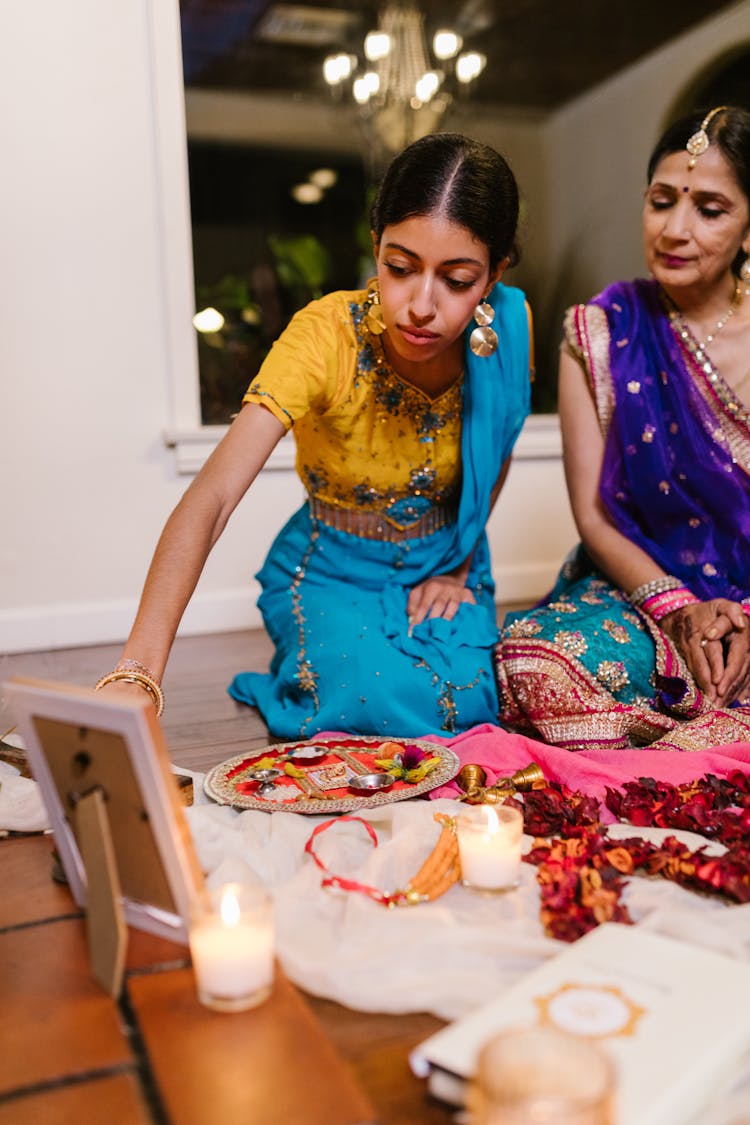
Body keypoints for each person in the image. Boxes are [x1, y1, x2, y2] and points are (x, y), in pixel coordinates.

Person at [96, 133, 532, 738]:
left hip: (445, 563)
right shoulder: (324, 337)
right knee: (375, 702)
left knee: (479, 700)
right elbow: (213, 497)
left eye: (457, 280)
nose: (421, 306)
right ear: (376, 245)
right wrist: (137, 673)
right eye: (400, 268)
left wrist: (457, 568)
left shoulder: (509, 326)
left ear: (494, 275)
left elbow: (498, 445)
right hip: (334, 569)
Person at [496, 105, 750, 753]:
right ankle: (715, 710)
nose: (675, 229)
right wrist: (680, 608)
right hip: (646, 590)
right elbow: (595, 516)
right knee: (532, 663)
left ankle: (700, 705)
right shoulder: (601, 331)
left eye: (710, 209)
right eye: (661, 201)